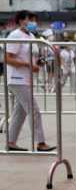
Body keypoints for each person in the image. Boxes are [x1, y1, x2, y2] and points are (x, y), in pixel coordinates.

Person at [4, 10, 56, 152]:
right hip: (17, 79)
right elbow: (7, 58)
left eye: (34, 20)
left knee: (19, 113)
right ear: (21, 21)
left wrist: (38, 62)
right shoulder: (15, 35)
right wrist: (27, 65)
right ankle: (40, 143)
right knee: (34, 110)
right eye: (29, 19)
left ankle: (10, 141)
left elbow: (31, 57)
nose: (32, 23)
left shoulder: (31, 35)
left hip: (26, 79)